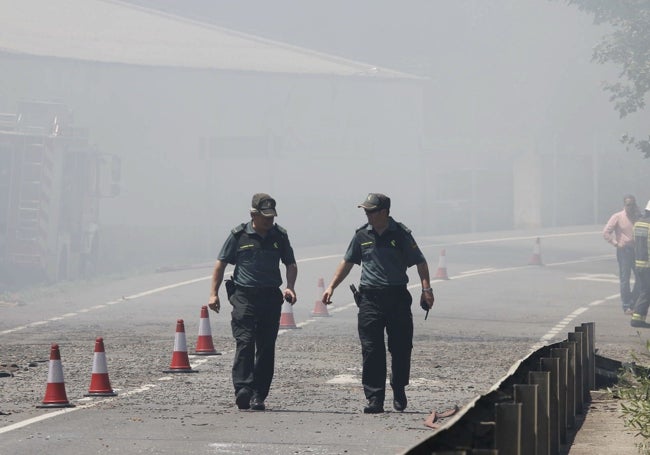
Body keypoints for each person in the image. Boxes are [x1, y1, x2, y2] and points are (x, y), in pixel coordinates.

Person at [321, 193, 434, 414]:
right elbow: (348, 261)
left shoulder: (401, 234)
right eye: (366, 210)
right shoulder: (362, 234)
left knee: (401, 348)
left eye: (371, 210)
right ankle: (375, 398)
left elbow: (420, 262)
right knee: (371, 349)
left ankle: (399, 387)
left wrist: (426, 289)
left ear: (384, 212)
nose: (367, 214)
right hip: (370, 299)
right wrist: (331, 286)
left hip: (397, 298)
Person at [208, 193, 298, 411]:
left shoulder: (279, 236)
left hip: (270, 297)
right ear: (253, 214)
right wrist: (214, 293)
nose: (269, 221)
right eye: (265, 217)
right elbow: (221, 264)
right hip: (244, 296)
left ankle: (259, 394)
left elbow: (290, 264)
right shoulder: (239, 235)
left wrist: (290, 286)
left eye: (272, 217)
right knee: (245, 341)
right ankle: (243, 389)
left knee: (266, 347)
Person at [603, 194, 641, 314]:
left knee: (641, 278)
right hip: (624, 251)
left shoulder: (637, 217)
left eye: (632, 204)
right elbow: (606, 232)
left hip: (637, 251)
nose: (630, 207)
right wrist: (615, 243)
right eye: (628, 205)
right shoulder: (618, 217)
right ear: (624, 205)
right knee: (625, 279)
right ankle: (626, 305)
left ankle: (632, 302)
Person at [630, 200, 650, 328]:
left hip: (639, 263)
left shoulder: (638, 223)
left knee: (645, 290)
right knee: (646, 291)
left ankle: (638, 318)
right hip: (648, 264)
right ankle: (637, 319)